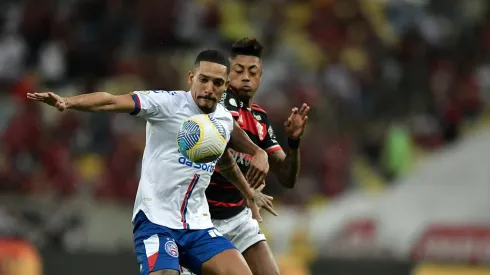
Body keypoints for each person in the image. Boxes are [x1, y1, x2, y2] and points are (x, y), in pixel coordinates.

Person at [27, 50, 276, 275]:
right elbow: (112, 100)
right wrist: (68, 101)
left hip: (198, 226)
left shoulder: (223, 120)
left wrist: (248, 191)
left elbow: (223, 159)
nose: (209, 87)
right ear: (191, 78)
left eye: (217, 82)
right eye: (204, 79)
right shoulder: (166, 104)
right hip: (156, 222)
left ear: (225, 87)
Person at [182, 38, 310, 275]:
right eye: (238, 71)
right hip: (198, 217)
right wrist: (256, 151)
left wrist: (293, 142)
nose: (245, 77)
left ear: (261, 76)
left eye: (252, 72)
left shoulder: (260, 120)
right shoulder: (217, 102)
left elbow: (287, 178)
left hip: (237, 217)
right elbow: (223, 128)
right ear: (228, 76)